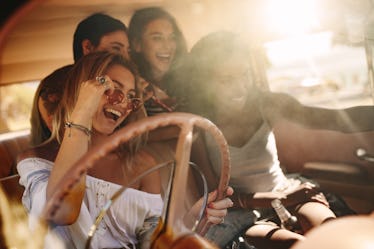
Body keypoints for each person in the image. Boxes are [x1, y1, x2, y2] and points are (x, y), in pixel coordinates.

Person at [165, 31, 374, 249]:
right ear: (204, 83)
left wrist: (285, 196)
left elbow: (335, 120)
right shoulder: (198, 125)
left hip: (287, 189)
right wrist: (276, 199)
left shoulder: (266, 104)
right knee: (295, 244)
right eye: (227, 80)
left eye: (244, 75)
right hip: (244, 211)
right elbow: (211, 197)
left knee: (328, 229)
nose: (240, 88)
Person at [17, 51, 233, 249]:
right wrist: (81, 112)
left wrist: (193, 218)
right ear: (83, 89)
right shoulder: (35, 159)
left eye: (130, 96)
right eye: (112, 89)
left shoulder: (142, 164)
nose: (122, 103)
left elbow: (153, 244)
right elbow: (63, 211)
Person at [30, 13, 131, 146]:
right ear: (88, 47)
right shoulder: (55, 86)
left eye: (128, 51)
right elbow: (69, 142)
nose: (126, 58)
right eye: (116, 48)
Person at [128, 7, 188, 115]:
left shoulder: (188, 82)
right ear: (137, 44)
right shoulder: (131, 89)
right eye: (157, 38)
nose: (167, 46)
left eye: (172, 38)